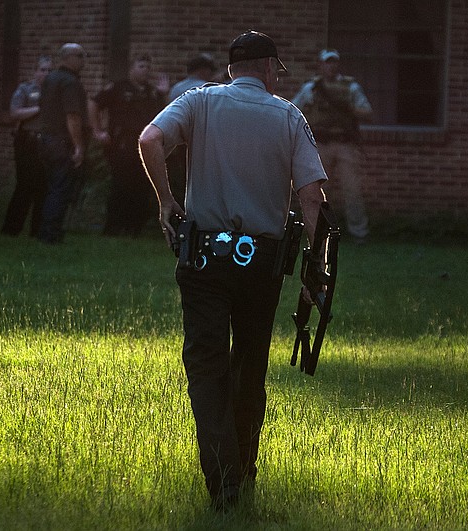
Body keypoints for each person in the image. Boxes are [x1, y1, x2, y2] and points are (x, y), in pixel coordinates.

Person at [139, 30, 327, 511]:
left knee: (206, 366)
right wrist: (315, 269)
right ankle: (243, 465)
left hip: (202, 259)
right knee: (249, 365)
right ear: (268, 69)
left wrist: (166, 201)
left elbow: (150, 138)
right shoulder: (288, 115)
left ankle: (223, 478)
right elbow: (311, 196)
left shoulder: (198, 103)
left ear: (230, 70)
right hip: (260, 264)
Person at [292, 49, 372, 243]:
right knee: (314, 191)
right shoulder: (312, 87)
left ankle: (359, 233)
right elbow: (294, 108)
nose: (331, 66)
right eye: (327, 62)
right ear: (321, 65)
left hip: (344, 143)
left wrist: (347, 110)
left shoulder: (350, 87)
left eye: (334, 62)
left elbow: (366, 111)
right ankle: (316, 232)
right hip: (320, 144)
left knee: (352, 190)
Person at [89, 54, 168, 236]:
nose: (145, 71)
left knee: (141, 186)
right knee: (121, 185)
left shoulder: (151, 92)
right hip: (122, 145)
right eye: (141, 67)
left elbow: (163, 115)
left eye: (148, 67)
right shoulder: (118, 88)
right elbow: (94, 103)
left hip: (145, 145)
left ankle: (134, 227)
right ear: (132, 68)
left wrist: (163, 94)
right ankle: (114, 226)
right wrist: (98, 130)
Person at [37, 43, 88, 244]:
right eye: (80, 56)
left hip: (47, 139)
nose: (83, 60)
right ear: (67, 57)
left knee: (52, 187)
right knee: (60, 188)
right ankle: (50, 234)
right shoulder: (69, 82)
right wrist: (79, 146)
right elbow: (72, 116)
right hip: (61, 141)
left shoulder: (51, 79)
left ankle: (45, 231)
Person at [1, 55, 53, 236]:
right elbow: (15, 112)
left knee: (43, 186)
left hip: (47, 142)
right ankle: (11, 229)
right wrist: (39, 109)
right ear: (35, 71)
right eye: (43, 69)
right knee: (24, 185)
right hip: (27, 140)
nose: (46, 74)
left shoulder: (53, 92)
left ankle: (37, 230)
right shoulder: (25, 89)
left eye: (49, 70)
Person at [166, 53, 219, 207]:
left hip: (179, 141)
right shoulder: (205, 89)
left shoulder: (177, 88)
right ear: (202, 70)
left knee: (182, 181)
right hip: (201, 142)